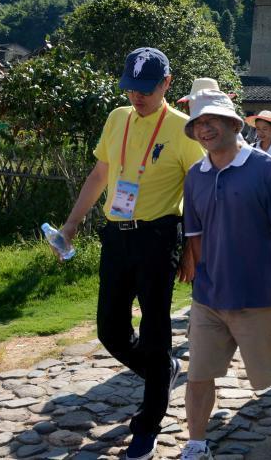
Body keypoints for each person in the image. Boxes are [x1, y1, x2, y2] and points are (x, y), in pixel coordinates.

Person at [57, 48, 205, 460]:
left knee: (157, 332)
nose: (136, 97)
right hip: (117, 236)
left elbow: (196, 192)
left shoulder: (183, 129)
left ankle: (148, 423)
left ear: (166, 85)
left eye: (145, 90)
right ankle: (163, 374)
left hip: (159, 237)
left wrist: (193, 248)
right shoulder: (117, 118)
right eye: (130, 88)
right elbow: (101, 173)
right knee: (110, 329)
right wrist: (71, 224)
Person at [179, 90, 271, 458]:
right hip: (209, 299)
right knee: (198, 374)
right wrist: (205, 277)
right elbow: (196, 237)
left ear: (234, 124)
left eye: (212, 121)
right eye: (198, 124)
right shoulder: (195, 177)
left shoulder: (267, 169)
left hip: (259, 295)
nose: (204, 129)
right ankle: (197, 442)